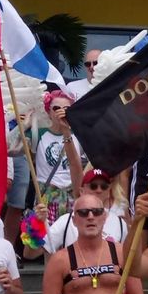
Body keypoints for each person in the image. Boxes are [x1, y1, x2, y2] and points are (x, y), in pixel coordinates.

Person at [36, 91, 83, 222]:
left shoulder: (79, 134)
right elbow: (9, 147)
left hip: (72, 195)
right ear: (48, 112)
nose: (61, 112)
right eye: (56, 108)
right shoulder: (39, 134)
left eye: (66, 109)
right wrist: (27, 123)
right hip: (47, 196)